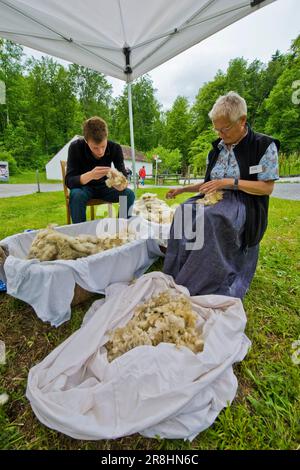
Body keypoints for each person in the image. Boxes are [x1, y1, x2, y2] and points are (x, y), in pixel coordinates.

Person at [163, 91, 280, 299]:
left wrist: (231, 182)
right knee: (183, 211)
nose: (219, 134)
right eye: (216, 129)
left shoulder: (263, 145)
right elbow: (210, 183)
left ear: (242, 121)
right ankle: (178, 272)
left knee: (211, 218)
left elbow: (266, 188)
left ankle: (203, 283)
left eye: (224, 129)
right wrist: (182, 190)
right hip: (212, 197)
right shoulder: (216, 150)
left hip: (244, 202)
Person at [65, 116, 135, 223]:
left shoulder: (115, 148)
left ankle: (122, 227)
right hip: (84, 187)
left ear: (107, 137)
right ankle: (80, 234)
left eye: (103, 146)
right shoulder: (76, 147)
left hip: (105, 186)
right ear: (86, 141)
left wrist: (120, 184)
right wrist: (90, 175)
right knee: (76, 195)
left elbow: (124, 177)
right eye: (95, 148)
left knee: (129, 194)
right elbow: (69, 181)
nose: (100, 152)